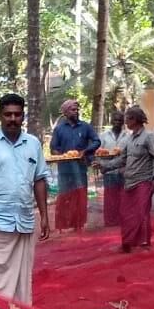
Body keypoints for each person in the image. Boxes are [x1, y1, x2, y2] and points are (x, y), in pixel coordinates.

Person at [0, 93, 50, 303]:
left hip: (23, 222)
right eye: (8, 114)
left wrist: (44, 216)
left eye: (17, 114)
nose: (12, 119)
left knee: (21, 282)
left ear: (23, 116)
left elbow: (39, 180)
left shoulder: (33, 144)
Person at [49, 99, 101, 232]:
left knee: (80, 195)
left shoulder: (85, 127)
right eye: (73, 109)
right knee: (65, 195)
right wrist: (61, 155)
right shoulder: (59, 129)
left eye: (77, 109)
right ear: (65, 112)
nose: (76, 112)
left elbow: (96, 141)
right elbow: (53, 147)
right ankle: (63, 226)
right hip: (64, 168)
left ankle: (79, 224)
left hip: (80, 167)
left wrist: (86, 151)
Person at [118, 106, 154, 252]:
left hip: (144, 180)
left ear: (135, 119)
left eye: (127, 118)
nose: (125, 121)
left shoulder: (149, 136)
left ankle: (144, 243)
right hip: (129, 181)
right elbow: (122, 159)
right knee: (126, 213)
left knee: (141, 212)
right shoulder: (129, 139)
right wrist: (104, 166)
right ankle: (127, 242)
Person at [96, 110, 127, 227]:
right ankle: (110, 221)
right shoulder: (104, 136)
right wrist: (101, 165)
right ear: (111, 121)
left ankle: (122, 220)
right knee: (110, 197)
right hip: (108, 170)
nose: (117, 122)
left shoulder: (128, 136)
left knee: (123, 196)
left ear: (123, 122)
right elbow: (98, 152)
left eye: (120, 120)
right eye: (115, 120)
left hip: (123, 171)